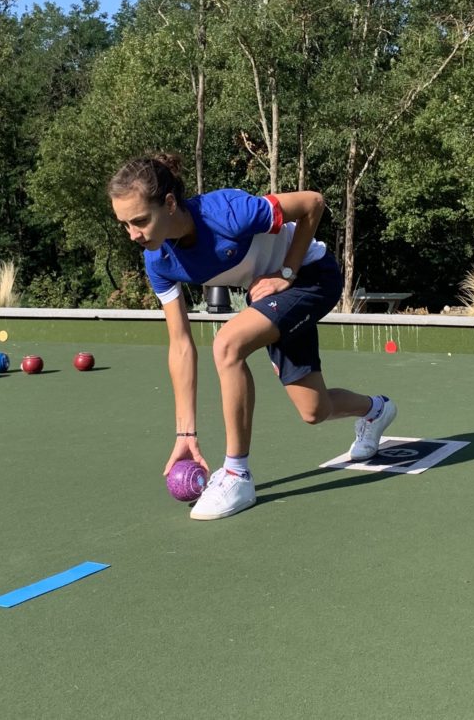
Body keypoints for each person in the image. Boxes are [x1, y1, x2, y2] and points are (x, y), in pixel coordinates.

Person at [108, 153, 397, 520]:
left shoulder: (227, 211)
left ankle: (237, 474)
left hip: (311, 276)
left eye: (140, 221)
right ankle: (375, 410)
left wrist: (286, 271)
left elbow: (313, 203)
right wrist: (185, 435)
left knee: (228, 344)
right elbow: (180, 345)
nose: (133, 234)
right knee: (314, 410)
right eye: (124, 225)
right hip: (272, 297)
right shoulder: (159, 261)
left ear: (168, 204)